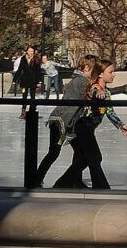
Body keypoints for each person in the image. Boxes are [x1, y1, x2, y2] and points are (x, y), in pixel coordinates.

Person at [56, 58, 127, 190]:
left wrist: (120, 124)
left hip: (87, 128)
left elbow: (109, 111)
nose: (114, 74)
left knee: (84, 158)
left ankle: (66, 183)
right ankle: (100, 187)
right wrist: (98, 92)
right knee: (95, 157)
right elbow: (94, 92)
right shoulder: (94, 87)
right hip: (82, 126)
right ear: (101, 74)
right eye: (111, 72)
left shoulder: (106, 91)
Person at [41, 55, 97, 187]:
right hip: (61, 122)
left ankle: (75, 181)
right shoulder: (81, 81)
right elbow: (92, 95)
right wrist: (120, 89)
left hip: (67, 122)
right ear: (87, 68)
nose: (95, 74)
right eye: (94, 71)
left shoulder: (77, 80)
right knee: (54, 152)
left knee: (78, 152)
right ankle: (36, 178)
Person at [14, 46, 43, 119]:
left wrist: (39, 81)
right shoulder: (23, 58)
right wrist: (15, 79)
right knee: (24, 96)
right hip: (25, 80)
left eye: (32, 51)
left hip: (33, 80)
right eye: (30, 51)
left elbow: (38, 71)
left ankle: (32, 110)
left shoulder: (36, 59)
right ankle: (23, 112)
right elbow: (20, 69)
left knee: (32, 96)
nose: (31, 53)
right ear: (27, 51)